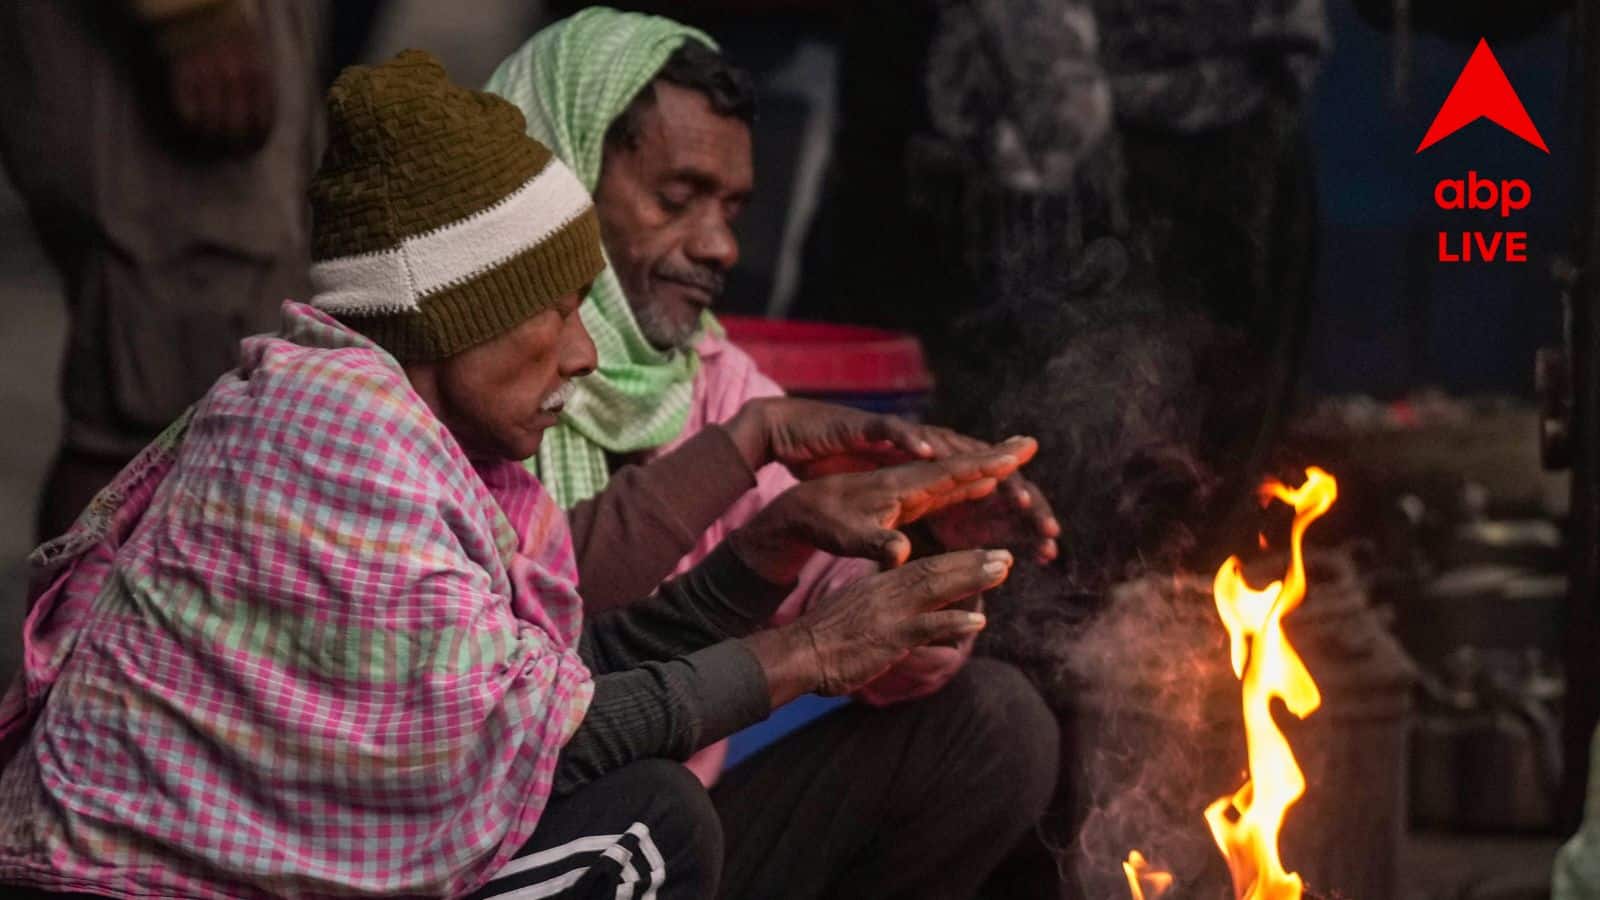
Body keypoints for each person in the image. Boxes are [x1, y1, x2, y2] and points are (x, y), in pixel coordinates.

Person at [0, 51, 1056, 900]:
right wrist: (812, 647)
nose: (584, 349)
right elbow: (544, 728)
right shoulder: (331, 438)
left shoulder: (424, 438)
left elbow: (547, 677)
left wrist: (774, 555)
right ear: (450, 321)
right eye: (556, 311)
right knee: (648, 829)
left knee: (957, 737)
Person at [485, 7, 1062, 784]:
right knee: (656, 792)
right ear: (563, 175)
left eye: (732, 209)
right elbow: (535, 652)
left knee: (995, 725)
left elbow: (822, 580)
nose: (720, 246)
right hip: (519, 821)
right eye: (676, 197)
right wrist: (750, 444)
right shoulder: (465, 375)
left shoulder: (710, 375)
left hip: (675, 826)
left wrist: (922, 575)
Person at [0, 0, 324, 542]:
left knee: (223, 397)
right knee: (159, 414)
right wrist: (195, 17)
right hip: (167, 41)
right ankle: (89, 626)